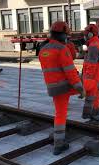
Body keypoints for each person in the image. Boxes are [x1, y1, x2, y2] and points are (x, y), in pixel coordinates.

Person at [38, 21, 85, 155]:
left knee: (59, 112)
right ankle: (59, 143)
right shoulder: (61, 49)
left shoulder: (43, 49)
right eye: (66, 36)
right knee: (61, 114)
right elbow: (70, 71)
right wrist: (80, 88)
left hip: (52, 87)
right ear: (63, 35)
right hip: (64, 87)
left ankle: (58, 135)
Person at [82, 24, 99, 125]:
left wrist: (86, 78)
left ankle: (95, 118)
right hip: (98, 76)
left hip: (93, 78)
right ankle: (94, 116)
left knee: (93, 98)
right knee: (95, 98)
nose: (85, 35)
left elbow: (91, 65)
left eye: (86, 33)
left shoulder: (93, 46)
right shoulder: (97, 44)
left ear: (91, 34)